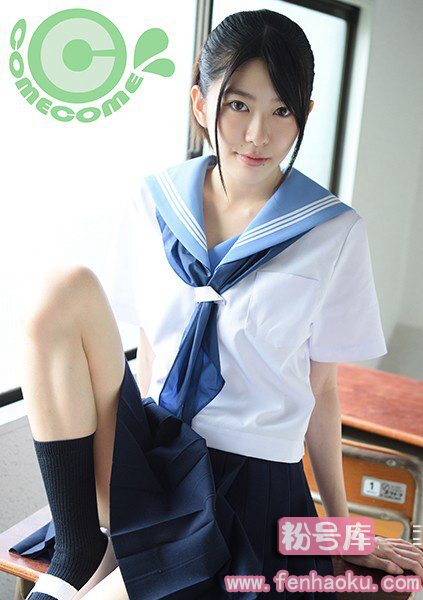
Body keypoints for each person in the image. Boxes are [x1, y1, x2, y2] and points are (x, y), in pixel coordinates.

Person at [11, 8, 423, 600]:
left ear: (305, 114)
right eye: (238, 105)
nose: (258, 134)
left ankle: (117, 556)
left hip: (244, 481)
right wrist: (135, 467)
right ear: (201, 106)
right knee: (61, 287)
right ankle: (83, 546)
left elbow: (323, 391)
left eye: (281, 111)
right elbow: (151, 350)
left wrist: (341, 531)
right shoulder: (153, 202)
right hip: (153, 450)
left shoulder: (333, 233)